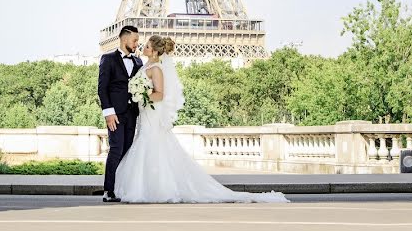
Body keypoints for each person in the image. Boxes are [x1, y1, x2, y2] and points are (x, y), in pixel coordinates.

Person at [114, 35, 288, 204]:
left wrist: (141, 95)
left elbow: (160, 95)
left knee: (151, 147)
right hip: (146, 115)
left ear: (154, 51)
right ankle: (148, 187)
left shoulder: (157, 69)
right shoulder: (146, 66)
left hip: (151, 113)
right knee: (148, 146)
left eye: (147, 46)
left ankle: (156, 188)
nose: (143, 47)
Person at [97, 25, 142, 202]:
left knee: (127, 150)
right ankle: (108, 191)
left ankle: (120, 188)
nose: (137, 43)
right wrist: (108, 113)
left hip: (132, 113)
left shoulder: (138, 62)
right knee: (116, 149)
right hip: (115, 114)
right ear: (124, 40)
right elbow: (102, 88)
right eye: (135, 40)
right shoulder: (107, 59)